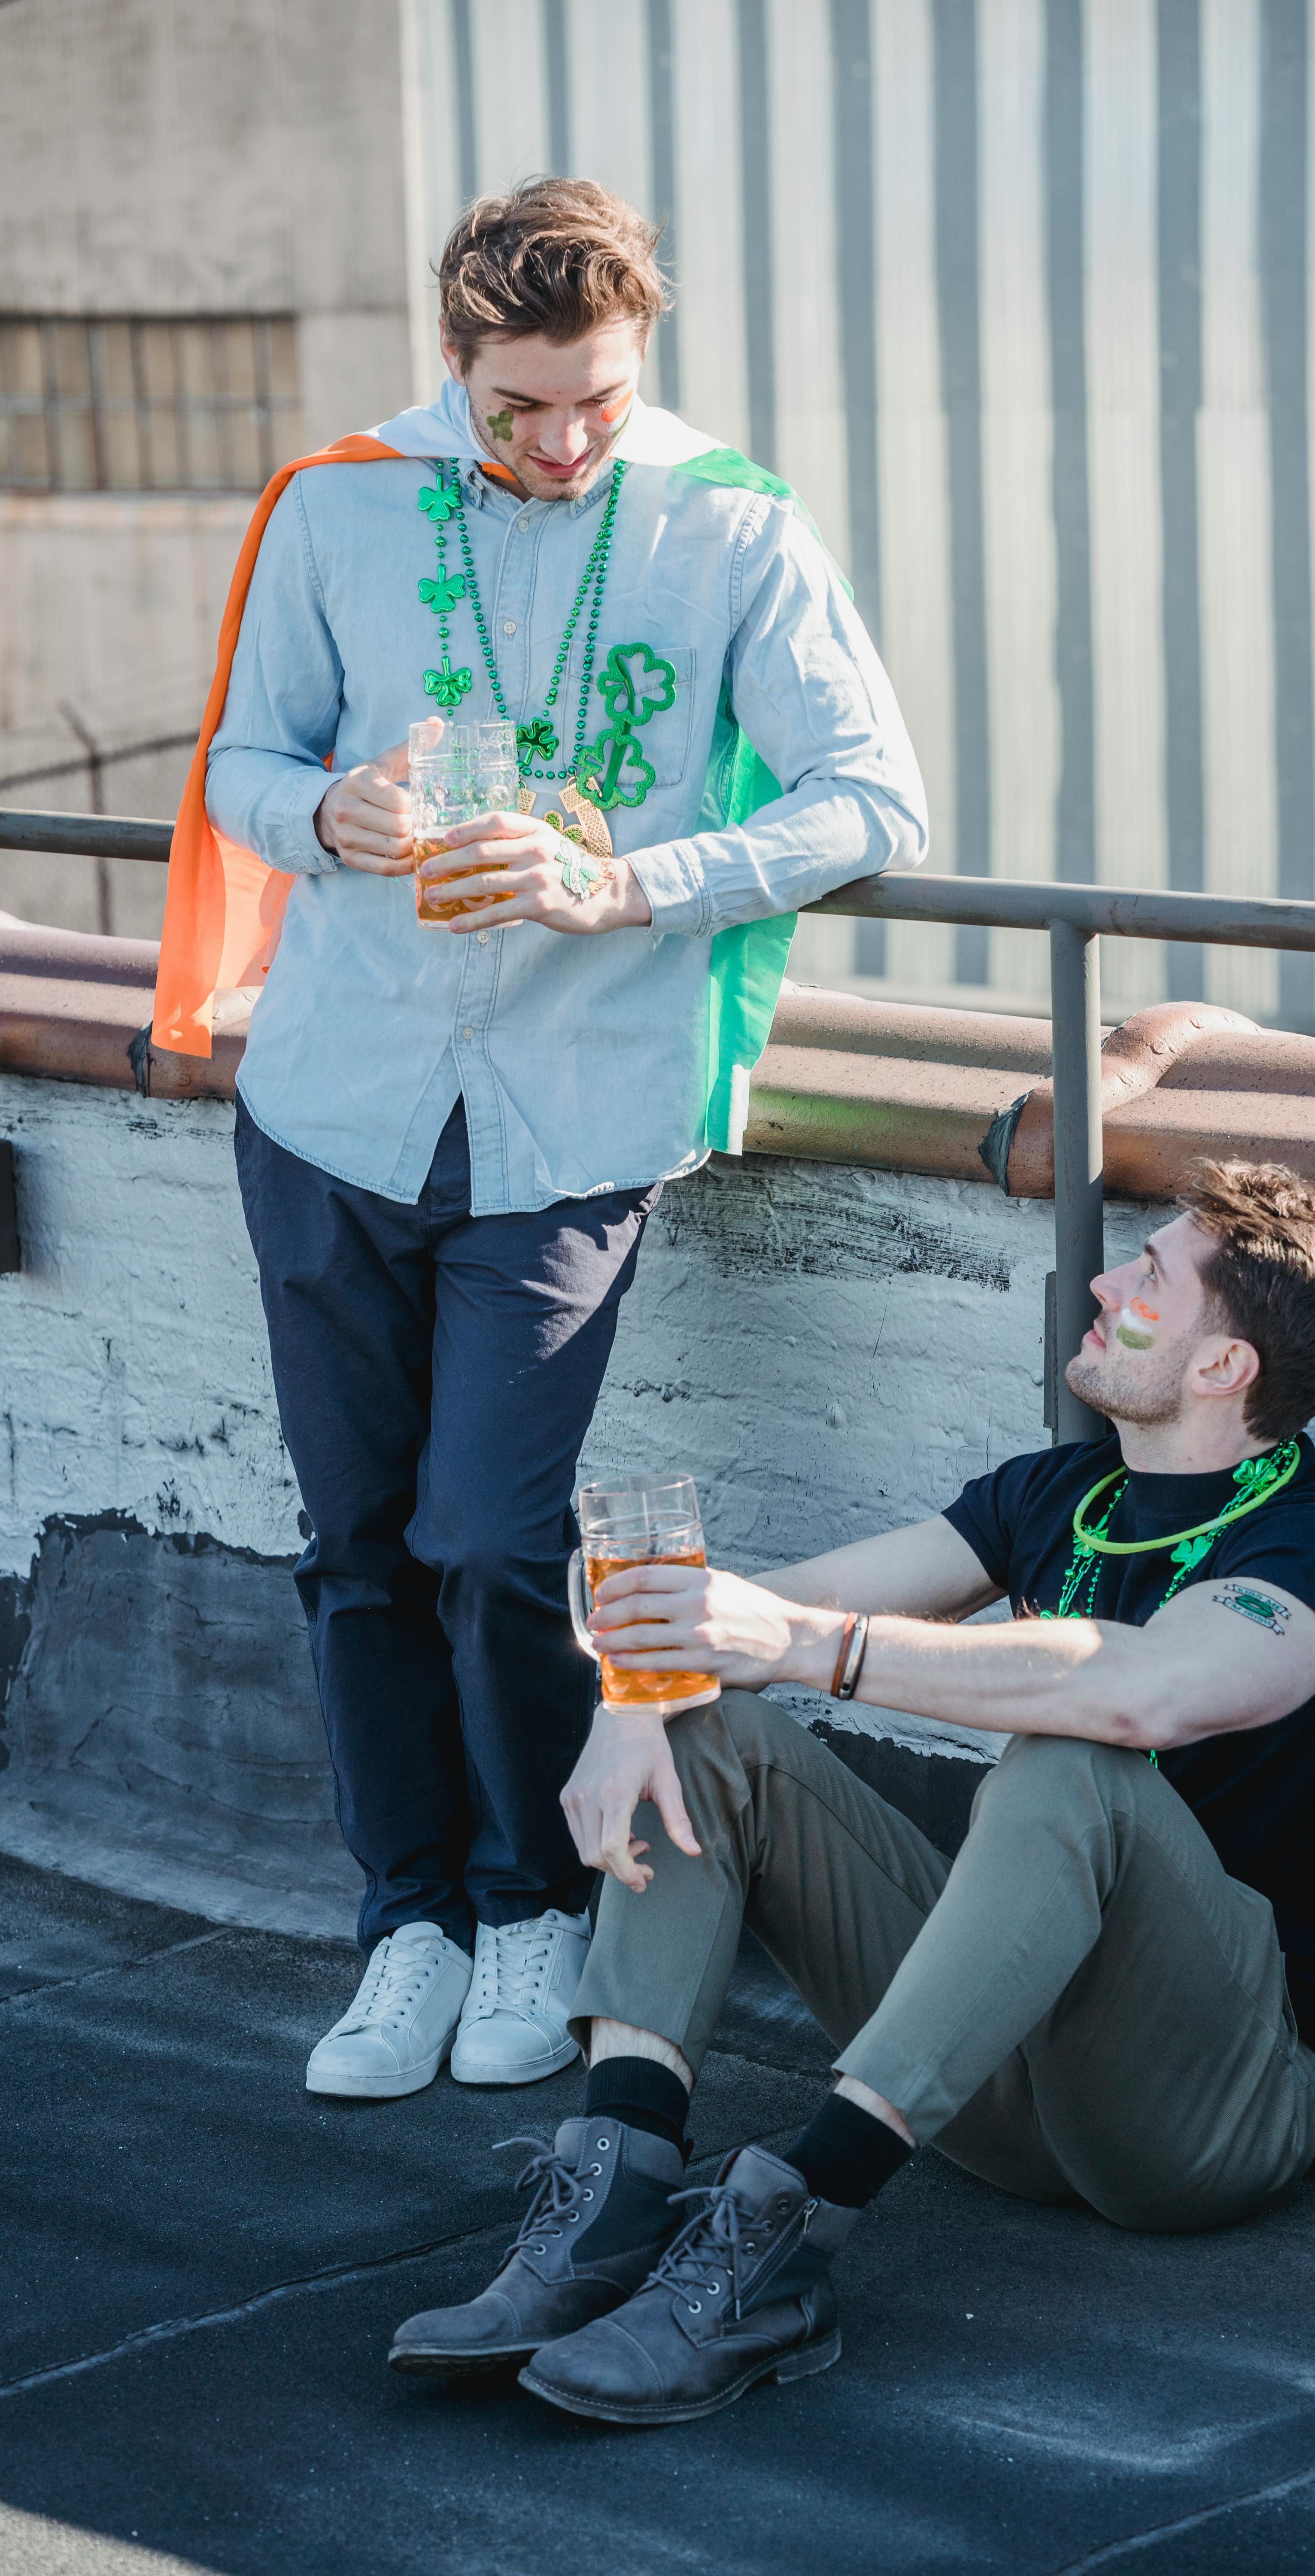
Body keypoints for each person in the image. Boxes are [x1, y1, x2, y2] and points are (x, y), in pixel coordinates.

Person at [172, 177, 926, 2099]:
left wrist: (635, 886)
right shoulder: (335, 499)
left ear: (638, 352)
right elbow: (242, 764)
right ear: (455, 362)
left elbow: (872, 802)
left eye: (599, 395)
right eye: (522, 409)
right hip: (333, 1106)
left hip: (575, 1123)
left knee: (495, 1544)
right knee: (355, 1546)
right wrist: (320, 818)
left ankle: (530, 1918)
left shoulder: (733, 522)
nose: (568, 442)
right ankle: (404, 1926)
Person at [389, 1158, 1315, 2424]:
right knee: (720, 1725)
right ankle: (610, 2204)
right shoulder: (1059, 1495)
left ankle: (783, 2244)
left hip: (1208, 2114)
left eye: (1149, 1275)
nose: (1101, 1280)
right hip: (998, 2086)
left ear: (1223, 1367)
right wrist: (638, 1697)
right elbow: (767, 1615)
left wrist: (808, 1649)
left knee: (1076, 1755)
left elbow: (1149, 1693)